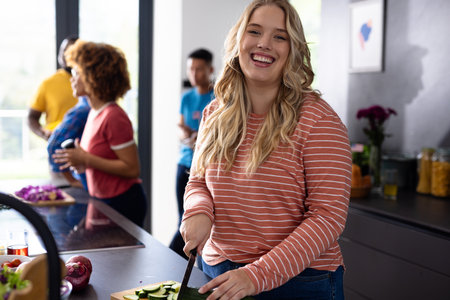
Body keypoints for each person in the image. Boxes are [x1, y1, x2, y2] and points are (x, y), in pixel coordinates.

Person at [180, 1, 352, 300]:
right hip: (219, 274)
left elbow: (327, 218)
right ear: (239, 40)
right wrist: (198, 211)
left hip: (299, 282)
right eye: (255, 31)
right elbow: (198, 181)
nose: (264, 44)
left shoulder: (319, 120)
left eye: (279, 36)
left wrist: (256, 275)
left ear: (293, 49)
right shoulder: (215, 113)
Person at [53, 40, 147, 227]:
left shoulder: (113, 116)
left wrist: (86, 159)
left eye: (76, 72)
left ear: (93, 77)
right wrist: (80, 164)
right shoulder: (94, 112)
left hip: (123, 203)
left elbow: (132, 169)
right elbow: (98, 161)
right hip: (102, 200)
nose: (72, 78)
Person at [169, 48, 215, 259]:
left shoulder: (219, 96)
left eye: (199, 69)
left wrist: (199, 138)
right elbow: (180, 126)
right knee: (183, 220)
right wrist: (186, 134)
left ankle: (172, 258)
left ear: (210, 70)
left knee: (200, 223)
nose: (194, 74)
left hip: (207, 169)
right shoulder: (186, 98)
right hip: (184, 165)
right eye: (191, 69)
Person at [28, 36, 79, 140]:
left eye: (72, 51)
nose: (67, 55)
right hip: (57, 143)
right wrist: (44, 134)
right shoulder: (48, 84)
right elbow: (31, 117)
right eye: (64, 51)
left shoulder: (92, 84)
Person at [46, 96, 90, 190]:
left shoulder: (86, 108)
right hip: (82, 179)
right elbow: (54, 145)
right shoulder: (82, 111)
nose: (72, 80)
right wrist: (72, 180)